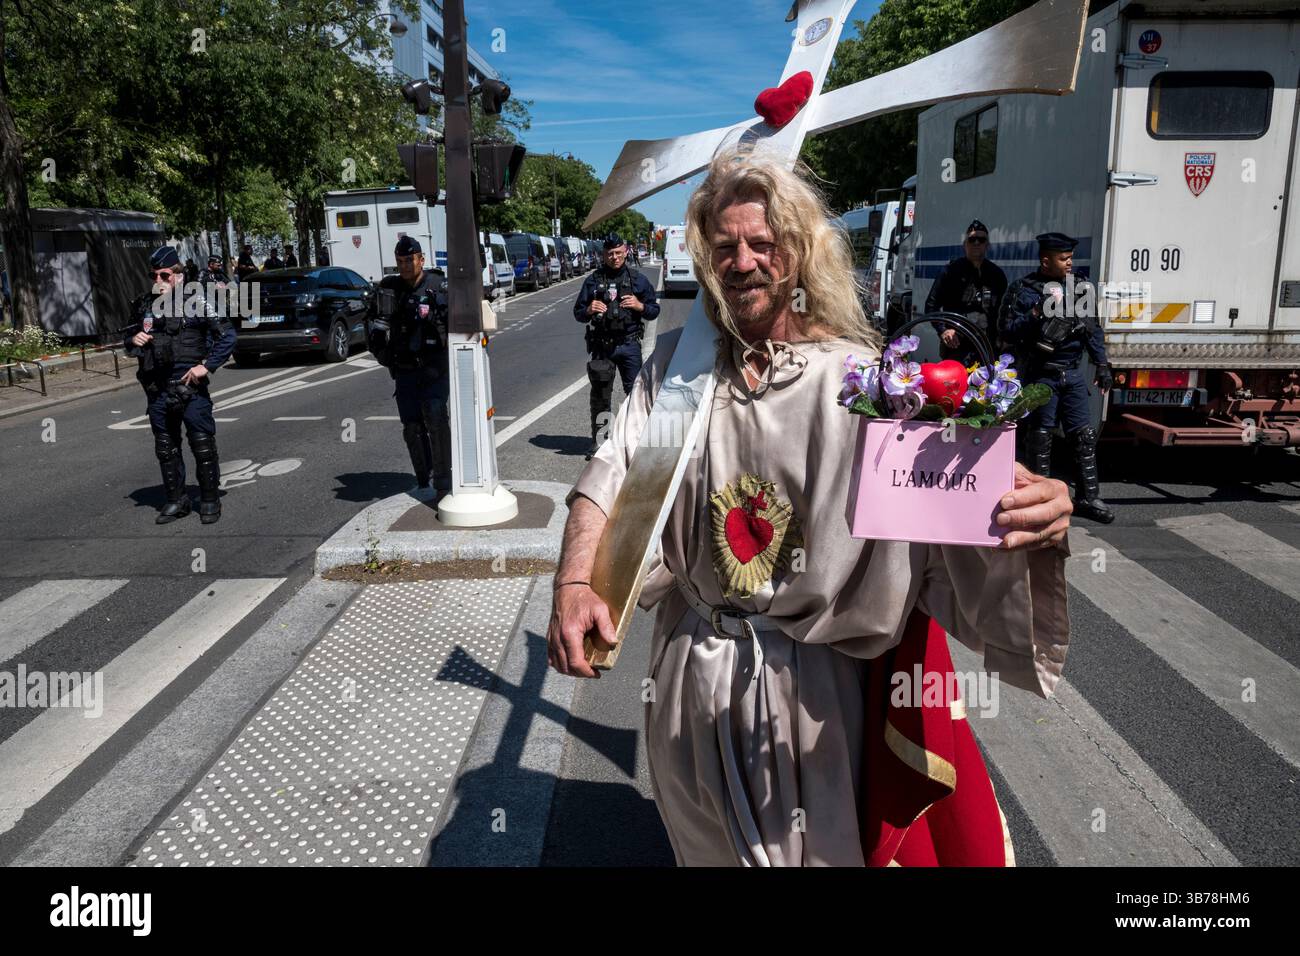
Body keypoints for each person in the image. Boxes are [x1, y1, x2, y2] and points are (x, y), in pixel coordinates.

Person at [545, 149, 1073, 867]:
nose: (743, 262)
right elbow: (609, 477)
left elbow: (953, 505)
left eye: (762, 244)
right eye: (724, 246)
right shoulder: (679, 370)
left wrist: (1031, 504)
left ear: (798, 255)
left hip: (814, 699)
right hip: (686, 678)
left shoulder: (866, 381)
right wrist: (576, 582)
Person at [999, 232, 1115, 524]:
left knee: (1084, 437)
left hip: (1072, 373)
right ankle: (1042, 500)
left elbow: (1092, 329)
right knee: (1040, 439)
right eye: (1064, 259)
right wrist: (1036, 312)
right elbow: (1006, 331)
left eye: (1071, 258)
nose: (1069, 263)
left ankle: (1088, 498)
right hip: (1042, 374)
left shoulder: (1080, 288)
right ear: (1046, 260)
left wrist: (1102, 365)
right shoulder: (1023, 289)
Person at [123, 246, 237, 524]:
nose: (158, 280)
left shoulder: (199, 300)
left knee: (202, 444)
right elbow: (127, 338)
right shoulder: (144, 304)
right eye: (154, 275)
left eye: (164, 275)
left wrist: (205, 366)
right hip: (158, 388)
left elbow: (227, 336)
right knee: (166, 447)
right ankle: (176, 500)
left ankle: (209, 500)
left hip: (190, 387)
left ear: (179, 275)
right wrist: (133, 340)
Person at [366, 236, 451, 493]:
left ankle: (443, 480)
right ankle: (424, 478)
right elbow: (375, 327)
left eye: (409, 260)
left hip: (434, 367)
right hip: (405, 370)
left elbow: (455, 322)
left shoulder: (437, 285)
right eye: (400, 261)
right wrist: (383, 355)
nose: (404, 266)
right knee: (412, 427)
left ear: (421, 259)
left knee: (435, 417)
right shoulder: (390, 288)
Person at [573, 234, 660, 459]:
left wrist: (640, 305)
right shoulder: (593, 280)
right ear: (604, 255)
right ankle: (601, 442)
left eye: (618, 253)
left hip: (629, 346)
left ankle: (635, 440)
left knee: (636, 395)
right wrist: (589, 310)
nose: (614, 257)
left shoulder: (637, 280)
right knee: (601, 396)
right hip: (603, 348)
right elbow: (578, 314)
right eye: (610, 253)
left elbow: (654, 310)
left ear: (626, 252)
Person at [924, 219, 1007, 361]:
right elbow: (931, 306)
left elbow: (1004, 310)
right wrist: (943, 330)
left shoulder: (996, 274)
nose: (976, 243)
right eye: (972, 239)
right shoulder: (949, 271)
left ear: (987, 245)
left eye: (981, 240)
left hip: (987, 347)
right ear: (964, 244)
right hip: (957, 347)